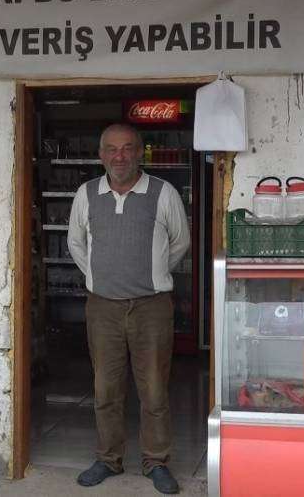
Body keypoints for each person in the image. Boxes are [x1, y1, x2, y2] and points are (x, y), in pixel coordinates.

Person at [67, 123, 190, 494]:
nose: (119, 156)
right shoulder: (87, 193)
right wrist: (99, 277)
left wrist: (151, 275)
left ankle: (156, 461)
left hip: (151, 307)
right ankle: (108, 459)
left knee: (153, 389)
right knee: (105, 389)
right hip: (102, 308)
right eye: (111, 149)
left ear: (140, 152)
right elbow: (76, 243)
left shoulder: (163, 193)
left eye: (127, 148)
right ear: (101, 154)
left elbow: (180, 242)